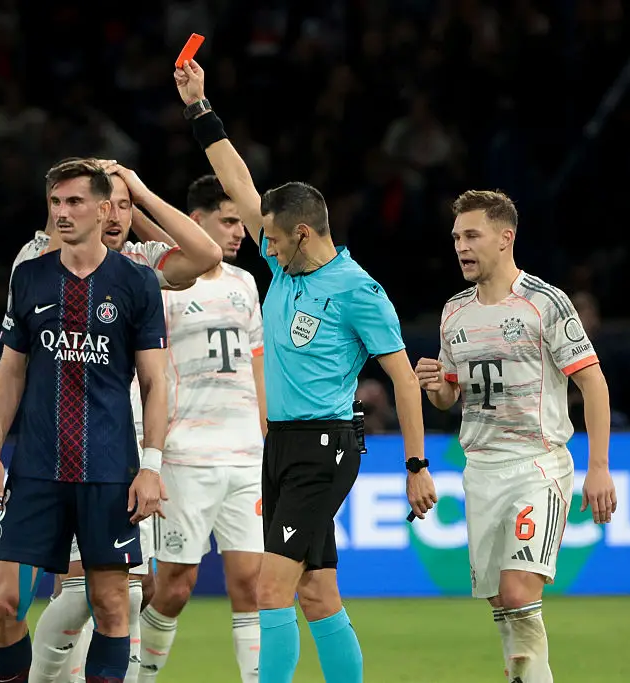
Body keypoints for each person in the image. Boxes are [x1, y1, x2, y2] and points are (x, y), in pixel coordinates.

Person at [174, 58, 438, 683]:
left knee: (270, 590)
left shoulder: (359, 291)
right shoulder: (285, 259)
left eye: (269, 237)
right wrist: (198, 107)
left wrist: (417, 466)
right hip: (284, 445)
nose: (258, 244)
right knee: (318, 596)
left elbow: (402, 378)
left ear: (299, 233)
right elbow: (236, 179)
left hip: (325, 445)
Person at [18, 159, 221, 683]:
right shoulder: (43, 256)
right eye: (104, 203)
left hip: (132, 444)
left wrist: (143, 191)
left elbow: (204, 254)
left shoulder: (143, 264)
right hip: (63, 442)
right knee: (78, 586)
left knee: (125, 595)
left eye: (122, 207)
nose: (114, 216)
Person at [414, 190, 617, 683]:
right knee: (502, 602)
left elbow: (592, 381)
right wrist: (437, 386)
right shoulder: (454, 311)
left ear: (506, 238)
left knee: (521, 592)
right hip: (480, 470)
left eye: (471, 235)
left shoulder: (544, 303)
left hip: (537, 464)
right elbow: (450, 397)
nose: (461, 246)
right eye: (457, 236)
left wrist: (599, 467)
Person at [0, 159, 168, 683]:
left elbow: (155, 384)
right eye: (55, 203)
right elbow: (10, 370)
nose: (62, 213)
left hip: (109, 469)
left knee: (112, 607)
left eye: (75, 202)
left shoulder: (136, 282)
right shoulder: (30, 275)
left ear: (104, 208)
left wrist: (150, 465)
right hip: (36, 469)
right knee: (5, 605)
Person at [138, 174, 265, 683]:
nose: (239, 232)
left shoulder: (245, 284)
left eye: (240, 222)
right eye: (229, 221)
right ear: (198, 222)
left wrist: (266, 435)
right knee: (174, 587)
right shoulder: (163, 286)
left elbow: (256, 363)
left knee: (252, 584)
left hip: (246, 456)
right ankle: (140, 675)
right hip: (185, 454)